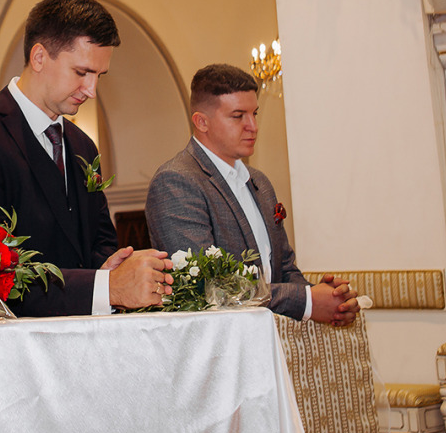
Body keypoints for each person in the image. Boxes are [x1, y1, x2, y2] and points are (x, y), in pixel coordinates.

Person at [0, 0, 172, 316]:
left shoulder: (83, 146)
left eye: (99, 76)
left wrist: (112, 268)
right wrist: (106, 287)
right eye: (81, 72)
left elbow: (100, 240)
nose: (92, 91)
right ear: (39, 57)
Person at [146, 64, 359, 325]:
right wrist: (306, 301)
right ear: (202, 122)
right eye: (238, 116)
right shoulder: (177, 181)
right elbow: (207, 287)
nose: (253, 126)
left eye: (254, 114)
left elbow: (284, 269)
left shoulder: (259, 182)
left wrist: (323, 296)